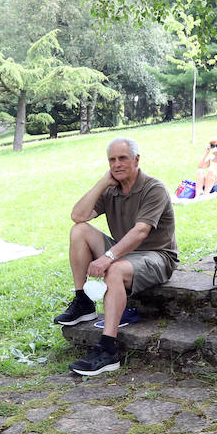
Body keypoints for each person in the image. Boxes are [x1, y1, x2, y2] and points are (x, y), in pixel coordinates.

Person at [53, 137, 178, 376]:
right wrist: (102, 183)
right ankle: (83, 301)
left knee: (115, 269)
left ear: (136, 159)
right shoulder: (111, 189)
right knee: (79, 231)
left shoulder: (154, 188)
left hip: (157, 256)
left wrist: (108, 256)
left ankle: (108, 349)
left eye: (122, 158)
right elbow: (78, 215)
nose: (117, 164)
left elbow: (141, 231)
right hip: (125, 252)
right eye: (112, 160)